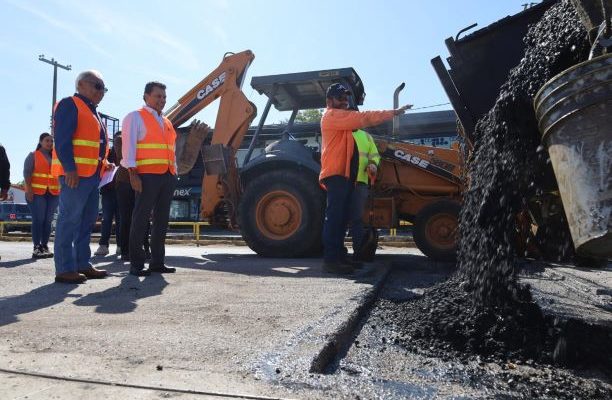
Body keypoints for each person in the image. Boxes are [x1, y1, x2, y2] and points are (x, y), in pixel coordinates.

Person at [320, 83, 411, 274]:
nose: (345, 101)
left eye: (346, 98)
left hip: (347, 177)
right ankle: (331, 260)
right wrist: (393, 113)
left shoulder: (347, 126)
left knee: (342, 218)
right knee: (335, 218)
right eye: (340, 98)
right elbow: (364, 117)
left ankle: (340, 256)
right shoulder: (332, 116)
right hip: (336, 175)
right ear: (329, 101)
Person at [52, 70, 111, 284]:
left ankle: (82, 264)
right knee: (69, 220)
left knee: (86, 222)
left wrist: (105, 163)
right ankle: (65, 268)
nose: (101, 91)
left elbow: (92, 146)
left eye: (104, 88)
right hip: (75, 175)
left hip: (92, 176)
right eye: (97, 86)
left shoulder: (93, 111)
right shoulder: (70, 104)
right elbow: (62, 140)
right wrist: (70, 169)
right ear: (81, 85)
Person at [122, 81, 178, 276]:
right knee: (141, 219)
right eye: (158, 96)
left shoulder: (167, 122)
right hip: (146, 176)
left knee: (162, 221)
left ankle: (157, 262)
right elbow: (128, 147)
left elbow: (171, 150)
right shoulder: (135, 117)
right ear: (146, 96)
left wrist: (174, 172)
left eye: (164, 97)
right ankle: (136, 264)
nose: (162, 100)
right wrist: (132, 173)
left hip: (167, 175)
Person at [114, 132, 150, 262]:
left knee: (143, 217)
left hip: (143, 181)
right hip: (125, 182)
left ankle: (145, 248)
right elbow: (123, 157)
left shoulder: (144, 138)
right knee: (127, 217)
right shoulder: (120, 139)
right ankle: (125, 251)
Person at [23, 133, 60, 258]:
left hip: (53, 193)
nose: (50, 143)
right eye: (47, 140)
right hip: (37, 193)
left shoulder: (56, 157)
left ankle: (44, 246)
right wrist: (29, 190)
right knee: (38, 220)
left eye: (51, 141)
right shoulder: (33, 155)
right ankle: (36, 247)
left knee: (48, 221)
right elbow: (27, 173)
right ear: (40, 142)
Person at [348, 129, 380, 261]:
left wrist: (373, 164)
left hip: (360, 182)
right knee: (339, 218)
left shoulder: (366, 136)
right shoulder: (341, 133)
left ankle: (358, 253)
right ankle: (337, 254)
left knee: (357, 218)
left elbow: (375, 155)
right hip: (342, 181)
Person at [94, 143, 120, 257]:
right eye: (117, 141)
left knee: (121, 219)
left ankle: (121, 245)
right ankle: (103, 245)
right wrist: (107, 165)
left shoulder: (128, 152)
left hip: (123, 192)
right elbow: (100, 164)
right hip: (108, 191)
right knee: (107, 218)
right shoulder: (107, 154)